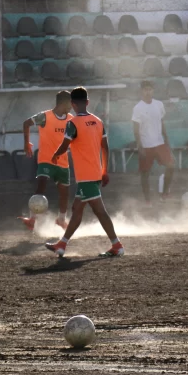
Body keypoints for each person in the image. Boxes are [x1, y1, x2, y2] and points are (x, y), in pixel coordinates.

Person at [45, 87, 124, 258]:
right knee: (77, 208)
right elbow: (105, 147)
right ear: (87, 102)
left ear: (72, 104)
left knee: (100, 211)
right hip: (94, 173)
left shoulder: (72, 124)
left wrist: (55, 155)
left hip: (86, 176)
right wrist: (105, 170)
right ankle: (62, 244)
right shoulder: (98, 121)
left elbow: (65, 146)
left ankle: (116, 245)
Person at [18, 91, 73, 231]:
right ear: (63, 103)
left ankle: (61, 220)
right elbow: (26, 123)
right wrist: (26, 143)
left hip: (63, 162)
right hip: (46, 159)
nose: (72, 106)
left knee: (64, 192)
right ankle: (32, 219)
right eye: (70, 103)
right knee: (41, 185)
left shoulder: (71, 120)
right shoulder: (45, 116)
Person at [132, 80, 175, 204]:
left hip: (159, 142)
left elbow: (161, 122)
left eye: (150, 89)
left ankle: (165, 193)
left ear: (153, 90)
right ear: (141, 91)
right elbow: (136, 129)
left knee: (171, 166)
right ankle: (147, 200)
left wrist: (166, 139)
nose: (148, 92)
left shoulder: (159, 105)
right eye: (145, 89)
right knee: (145, 173)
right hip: (146, 144)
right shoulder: (138, 108)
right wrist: (139, 147)